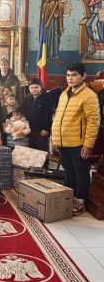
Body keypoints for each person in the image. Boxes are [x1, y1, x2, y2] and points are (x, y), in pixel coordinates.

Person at [52, 62, 100, 215]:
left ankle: (80, 202)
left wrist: (88, 144)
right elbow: (58, 118)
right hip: (63, 141)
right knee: (69, 171)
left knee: (81, 172)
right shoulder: (64, 94)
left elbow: (93, 122)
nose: (70, 78)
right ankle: (69, 198)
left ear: (83, 76)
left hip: (78, 143)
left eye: (74, 75)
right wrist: (56, 139)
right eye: (68, 75)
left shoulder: (89, 95)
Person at [21, 78, 53, 153]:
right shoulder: (27, 98)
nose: (34, 90)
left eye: (36, 87)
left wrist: (46, 129)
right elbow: (20, 109)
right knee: (31, 151)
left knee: (42, 151)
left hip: (41, 131)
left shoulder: (47, 99)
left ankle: (44, 161)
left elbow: (49, 115)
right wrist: (9, 117)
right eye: (31, 88)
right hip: (29, 130)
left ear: (40, 87)